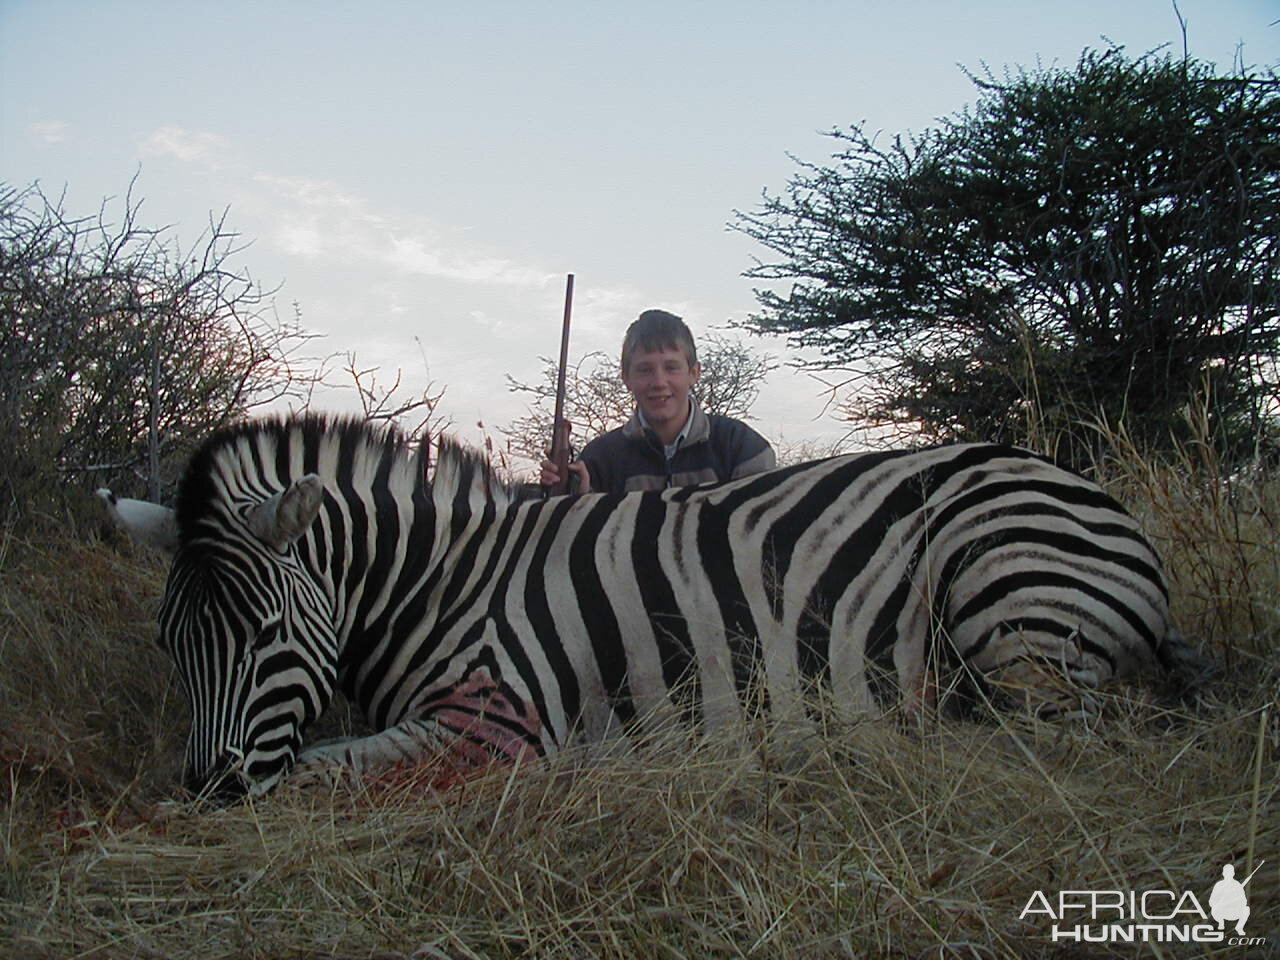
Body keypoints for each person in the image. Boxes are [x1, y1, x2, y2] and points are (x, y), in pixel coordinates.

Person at [540, 309, 776, 494]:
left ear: (694, 373)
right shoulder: (599, 459)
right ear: (626, 377)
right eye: (645, 370)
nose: (659, 382)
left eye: (671, 368)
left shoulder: (743, 448)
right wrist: (575, 495)